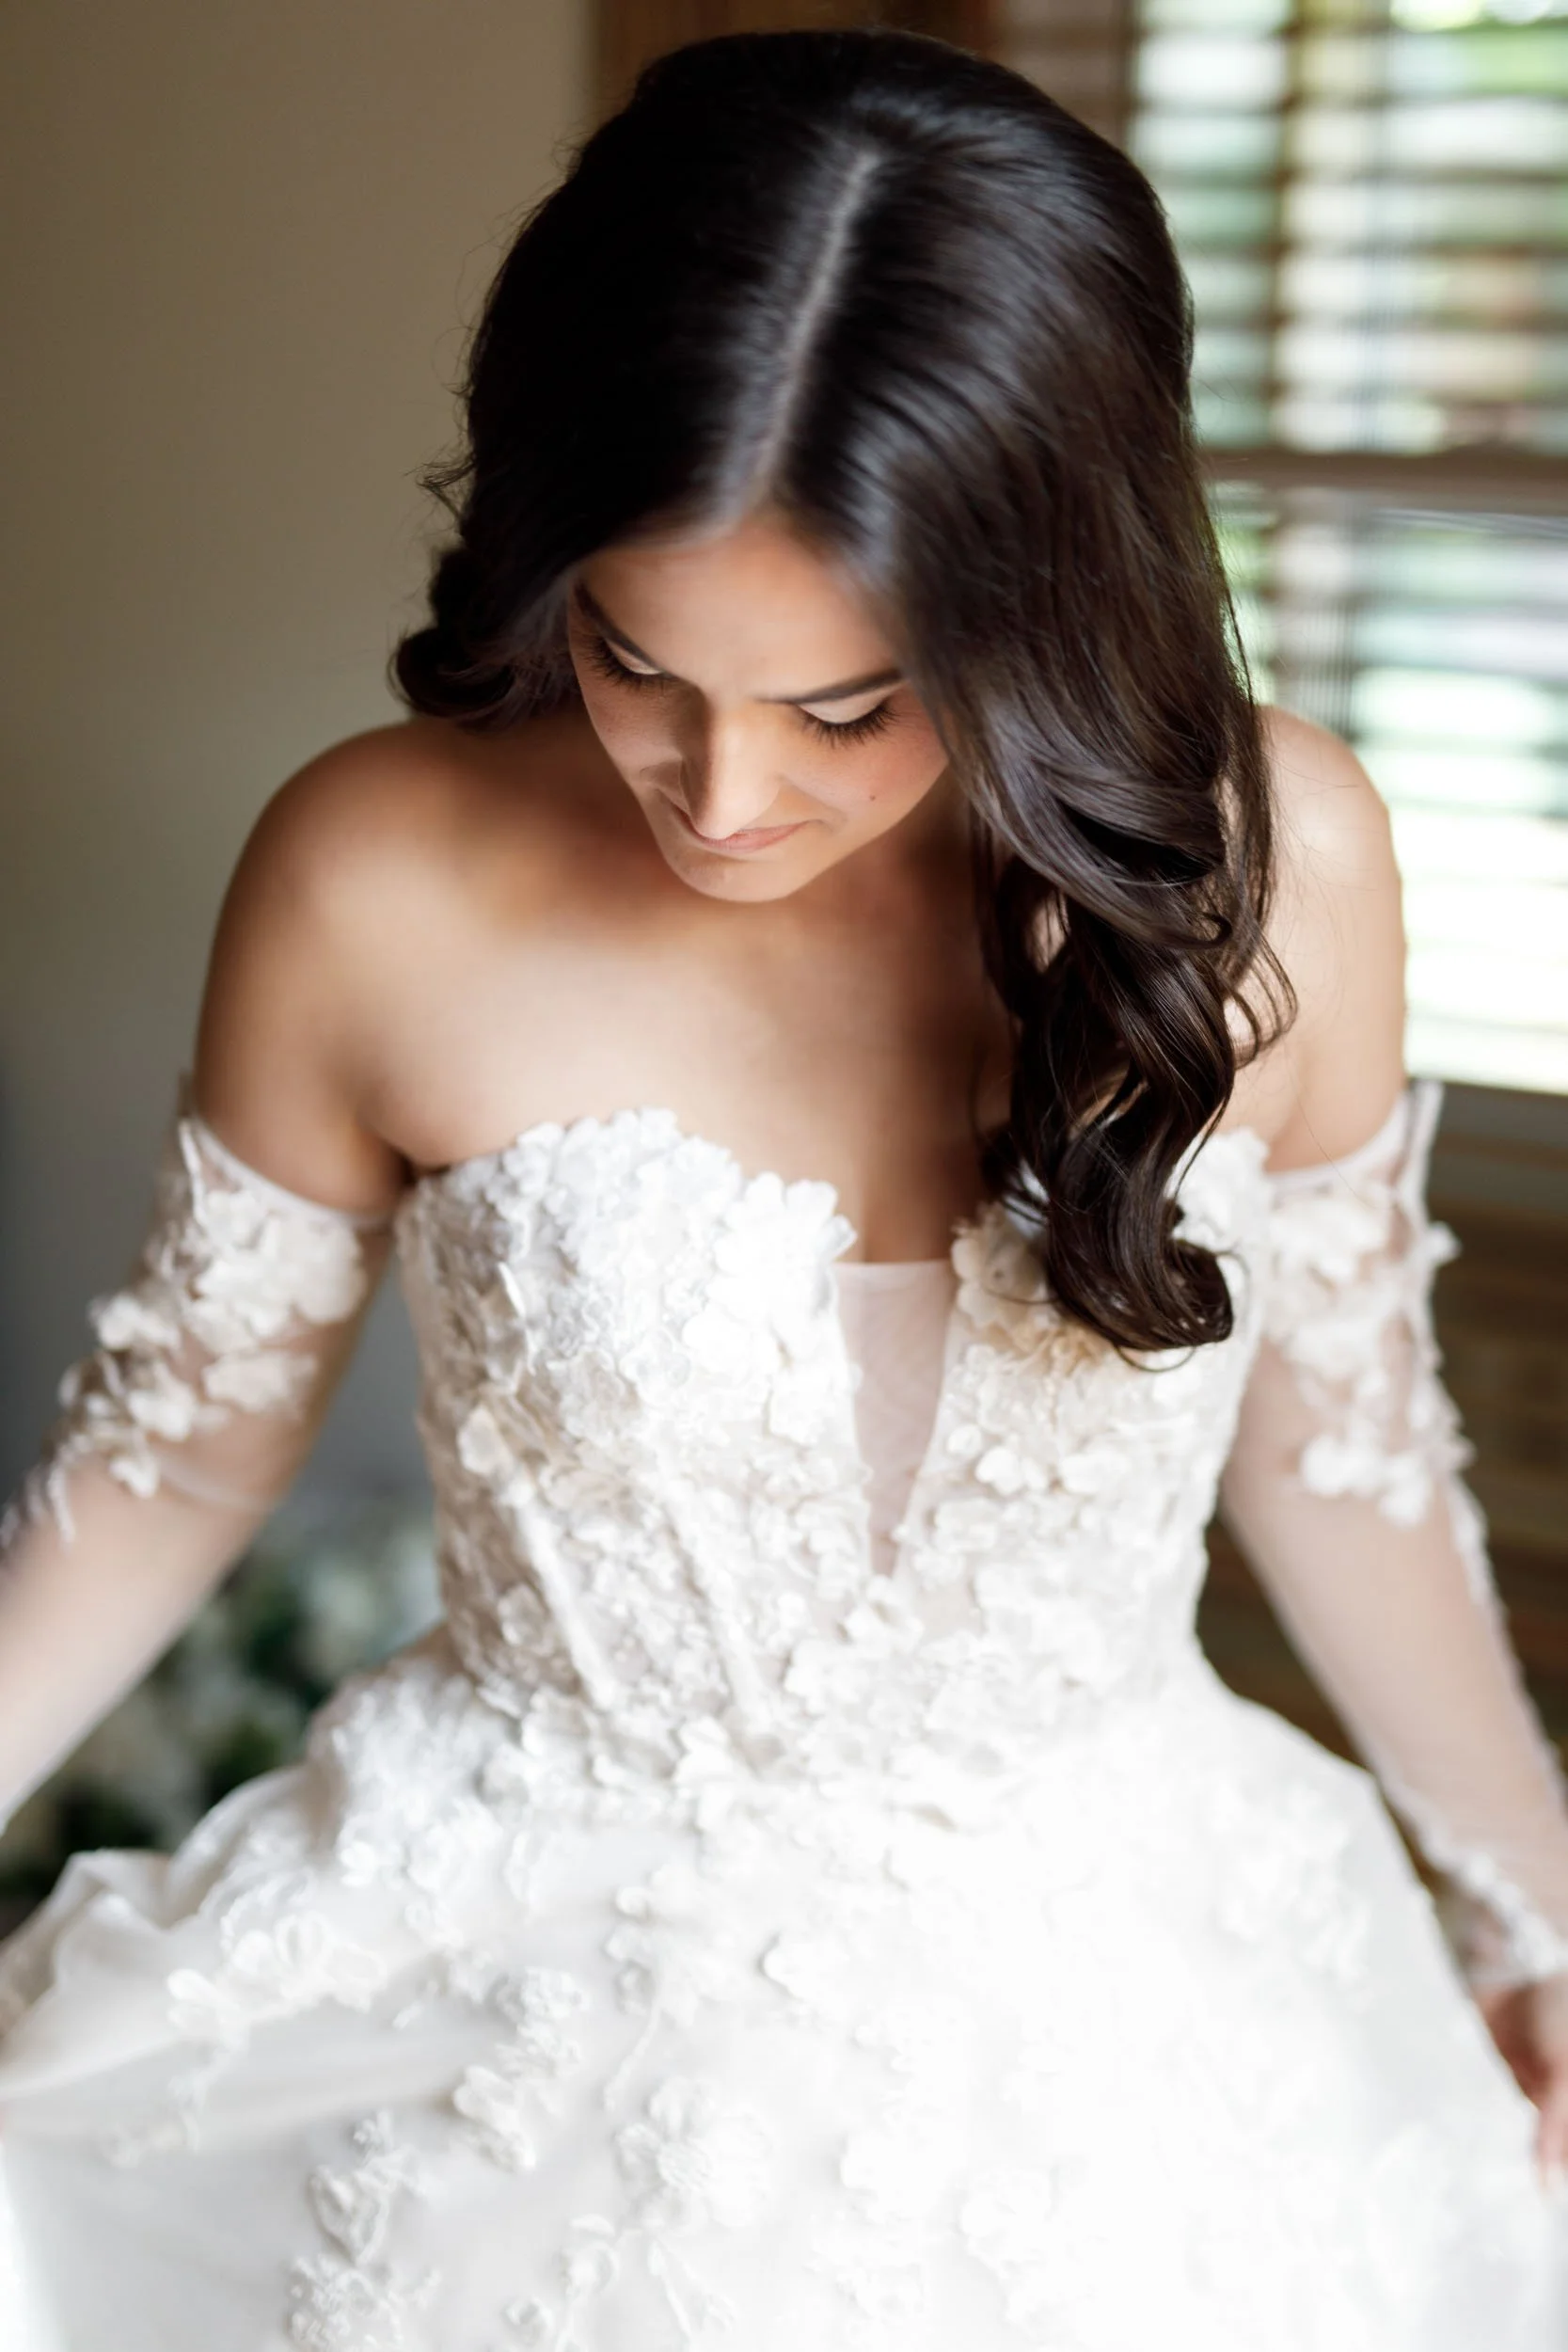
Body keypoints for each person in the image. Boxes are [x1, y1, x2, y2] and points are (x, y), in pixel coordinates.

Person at [0, 24, 1565, 2347]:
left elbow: (1343, 1465)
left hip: (1141, 2023)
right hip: (495, 2007)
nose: (719, 793)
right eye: (635, 660)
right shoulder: (373, 876)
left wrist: (1534, 1906)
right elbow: (170, 1455)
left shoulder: (1278, 864)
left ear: (1044, 604)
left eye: (849, 703)